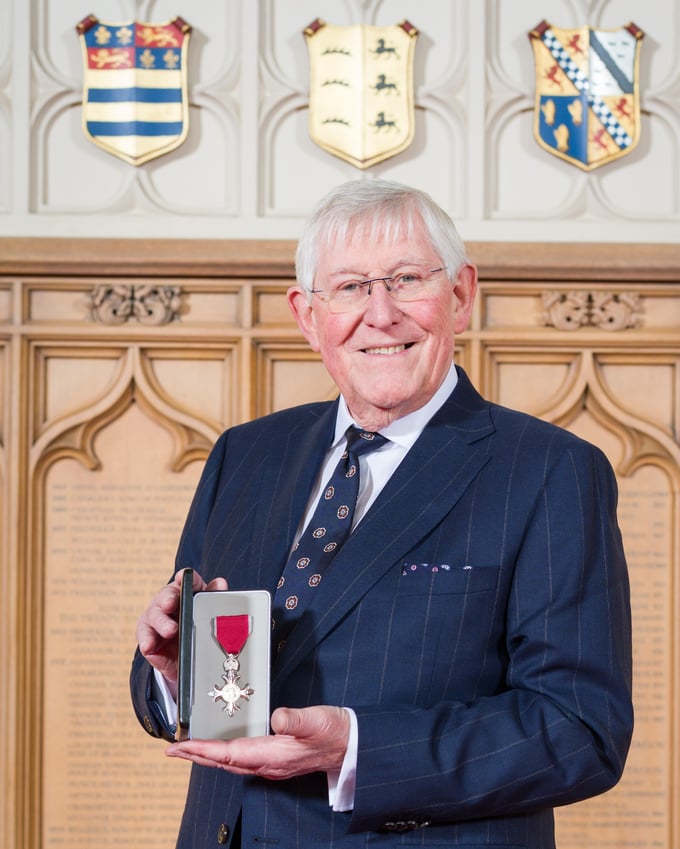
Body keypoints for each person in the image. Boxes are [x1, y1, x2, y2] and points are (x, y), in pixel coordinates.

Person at [131, 179, 633, 848]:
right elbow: (193, 690)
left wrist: (356, 750)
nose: (380, 312)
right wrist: (173, 673)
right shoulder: (245, 455)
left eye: (405, 279)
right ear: (308, 316)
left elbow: (581, 730)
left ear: (460, 294)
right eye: (348, 288)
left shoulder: (548, 471)